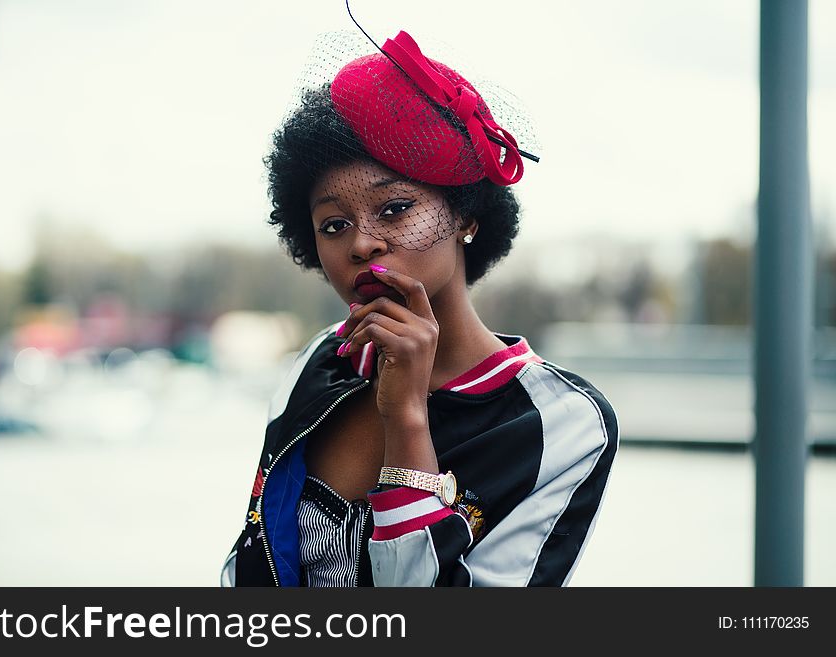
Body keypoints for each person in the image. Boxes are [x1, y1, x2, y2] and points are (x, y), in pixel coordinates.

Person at [221, 28, 618, 587]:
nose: (361, 243)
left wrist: (406, 418)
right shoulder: (321, 361)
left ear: (467, 215)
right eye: (334, 225)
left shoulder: (559, 423)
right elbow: (251, 565)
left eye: (395, 208)